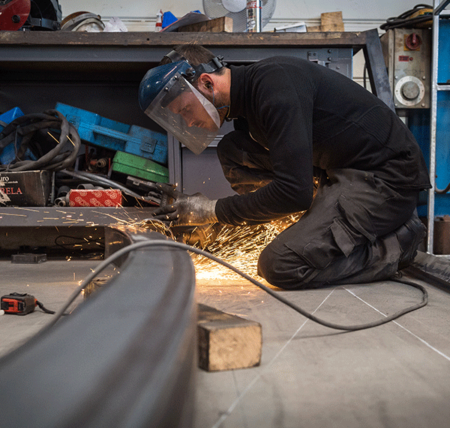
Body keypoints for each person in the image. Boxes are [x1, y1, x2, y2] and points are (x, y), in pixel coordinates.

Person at [138, 44, 431, 290]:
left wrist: (211, 211)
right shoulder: (247, 107)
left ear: (206, 82)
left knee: (279, 265)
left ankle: (394, 247)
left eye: (186, 110)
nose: (188, 121)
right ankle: (302, 230)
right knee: (233, 150)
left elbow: (294, 192)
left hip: (386, 179)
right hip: (338, 170)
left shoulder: (275, 86)